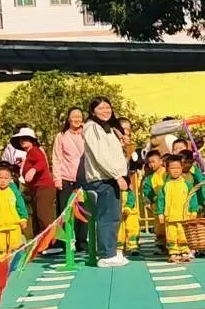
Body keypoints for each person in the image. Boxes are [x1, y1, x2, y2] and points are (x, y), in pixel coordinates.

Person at [81, 96, 130, 267]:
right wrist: (117, 175)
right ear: (93, 111)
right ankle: (106, 255)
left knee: (113, 216)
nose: (105, 111)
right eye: (101, 108)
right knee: (107, 217)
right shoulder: (92, 127)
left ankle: (111, 251)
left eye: (107, 107)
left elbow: (109, 151)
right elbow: (100, 155)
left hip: (110, 178)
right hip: (104, 179)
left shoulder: (106, 127)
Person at [12, 127, 57, 246]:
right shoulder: (29, 154)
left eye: (26, 139)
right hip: (36, 189)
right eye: (21, 139)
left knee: (44, 215)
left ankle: (53, 242)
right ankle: (43, 243)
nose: (23, 141)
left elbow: (42, 162)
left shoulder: (34, 151)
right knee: (38, 217)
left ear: (32, 140)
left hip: (44, 187)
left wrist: (33, 169)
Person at [52, 107, 87, 252]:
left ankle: (82, 242)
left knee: (83, 211)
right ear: (68, 119)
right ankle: (65, 242)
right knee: (65, 212)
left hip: (84, 178)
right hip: (66, 178)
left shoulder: (87, 134)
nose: (77, 119)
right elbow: (56, 158)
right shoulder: (61, 136)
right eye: (74, 116)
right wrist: (57, 179)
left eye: (79, 116)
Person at [156, 155, 200, 263]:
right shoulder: (166, 185)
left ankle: (184, 251)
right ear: (167, 169)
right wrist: (160, 213)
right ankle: (173, 252)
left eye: (178, 168)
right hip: (170, 217)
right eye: (172, 168)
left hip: (184, 216)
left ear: (182, 168)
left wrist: (194, 211)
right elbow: (161, 200)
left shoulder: (187, 184)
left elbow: (192, 198)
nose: (175, 171)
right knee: (171, 235)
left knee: (183, 234)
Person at [141, 150, 167, 253]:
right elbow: (147, 191)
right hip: (157, 205)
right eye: (149, 162)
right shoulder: (150, 178)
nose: (151, 165)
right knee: (159, 226)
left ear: (160, 161)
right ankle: (161, 245)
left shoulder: (167, 173)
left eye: (153, 161)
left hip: (169, 203)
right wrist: (151, 200)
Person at [117, 175, 140, 256]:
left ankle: (133, 246)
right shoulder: (116, 193)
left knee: (132, 229)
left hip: (130, 214)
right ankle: (120, 246)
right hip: (120, 214)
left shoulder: (129, 193)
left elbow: (131, 201)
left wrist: (128, 208)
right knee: (120, 231)